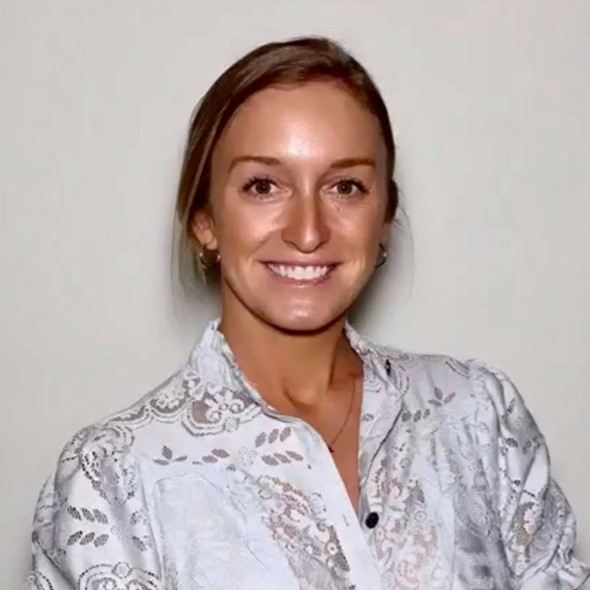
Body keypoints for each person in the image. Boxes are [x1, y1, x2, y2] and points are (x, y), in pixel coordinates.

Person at [24, 36, 588, 590]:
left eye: (345, 187)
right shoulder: (112, 479)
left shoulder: (481, 418)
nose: (309, 231)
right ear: (205, 220)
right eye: (263, 185)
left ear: (384, 216)